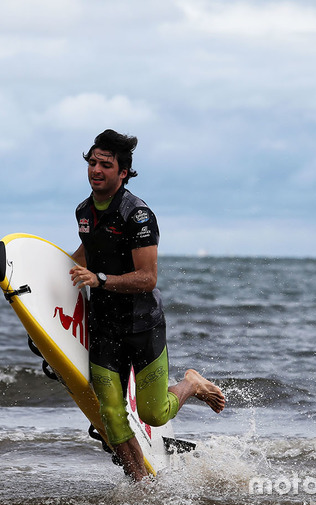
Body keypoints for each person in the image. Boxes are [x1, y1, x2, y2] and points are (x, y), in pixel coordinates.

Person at [69, 129, 226, 481]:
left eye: (105, 165)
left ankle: (191, 384)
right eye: (92, 162)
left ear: (122, 172)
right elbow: (83, 254)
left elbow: (148, 277)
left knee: (154, 414)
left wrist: (101, 279)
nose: (95, 169)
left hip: (142, 326)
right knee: (110, 412)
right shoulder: (84, 211)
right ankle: (143, 488)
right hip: (104, 328)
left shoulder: (137, 215)